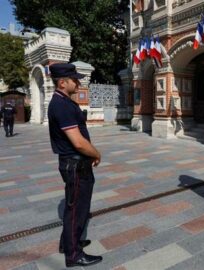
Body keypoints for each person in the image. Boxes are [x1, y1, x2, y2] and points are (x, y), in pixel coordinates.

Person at [48, 63, 102, 267]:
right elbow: (78, 142)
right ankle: (73, 255)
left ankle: (68, 243)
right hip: (75, 165)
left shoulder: (63, 102)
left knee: (75, 207)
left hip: (75, 164)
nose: (78, 82)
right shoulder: (61, 105)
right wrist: (96, 153)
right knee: (77, 210)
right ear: (62, 82)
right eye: (74, 79)